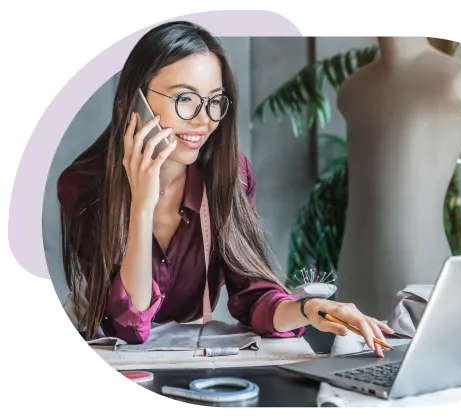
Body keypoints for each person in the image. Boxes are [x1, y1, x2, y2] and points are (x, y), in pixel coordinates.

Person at [57, 21, 393, 356]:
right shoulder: (83, 186)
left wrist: (310, 309)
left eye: (215, 101)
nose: (204, 120)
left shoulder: (229, 173)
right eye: (184, 99)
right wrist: (142, 204)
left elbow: (255, 296)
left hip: (186, 360)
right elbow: (129, 326)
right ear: (135, 102)